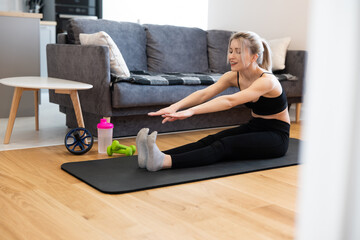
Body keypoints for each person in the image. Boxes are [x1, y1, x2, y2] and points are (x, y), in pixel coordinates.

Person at [136, 31, 290, 171]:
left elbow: (230, 101)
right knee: (211, 140)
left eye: (238, 51)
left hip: (276, 136)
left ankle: (165, 161)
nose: (231, 56)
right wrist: (174, 107)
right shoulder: (233, 76)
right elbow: (204, 94)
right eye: (230, 51)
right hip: (255, 127)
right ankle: (154, 156)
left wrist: (191, 111)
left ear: (254, 57)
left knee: (224, 146)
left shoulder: (267, 81)